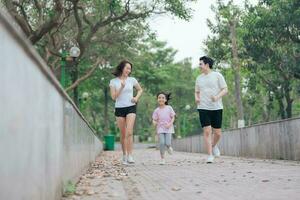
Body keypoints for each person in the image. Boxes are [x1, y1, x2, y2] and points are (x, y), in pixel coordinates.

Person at [195, 56, 228, 163]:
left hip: (217, 107)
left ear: (207, 64)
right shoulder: (199, 78)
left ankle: (214, 146)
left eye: (201, 64)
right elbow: (196, 91)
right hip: (203, 107)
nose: (199, 66)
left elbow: (225, 89)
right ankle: (209, 155)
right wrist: (196, 97)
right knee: (207, 131)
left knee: (218, 133)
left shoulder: (217, 75)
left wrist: (217, 97)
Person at [109, 60, 143, 165]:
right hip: (119, 108)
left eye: (130, 68)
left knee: (129, 132)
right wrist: (122, 87)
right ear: (122, 68)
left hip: (131, 107)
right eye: (127, 68)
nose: (129, 70)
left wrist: (136, 98)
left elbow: (140, 90)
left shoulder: (132, 80)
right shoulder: (113, 81)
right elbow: (114, 97)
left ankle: (130, 155)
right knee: (123, 134)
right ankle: (124, 155)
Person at [152, 92, 175, 165]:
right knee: (162, 143)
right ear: (157, 99)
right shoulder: (156, 110)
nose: (161, 99)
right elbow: (154, 119)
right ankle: (162, 158)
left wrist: (170, 124)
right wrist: (154, 122)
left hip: (168, 128)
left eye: (163, 98)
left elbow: (173, 117)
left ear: (165, 100)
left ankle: (169, 147)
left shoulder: (169, 108)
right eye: (159, 98)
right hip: (160, 128)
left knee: (167, 143)